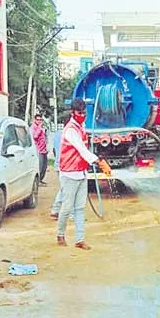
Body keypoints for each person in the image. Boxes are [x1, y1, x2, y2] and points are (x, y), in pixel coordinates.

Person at [57, 99, 111, 250]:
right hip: (69, 174)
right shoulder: (70, 130)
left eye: (84, 113)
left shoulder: (82, 127)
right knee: (67, 207)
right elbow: (82, 150)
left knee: (80, 208)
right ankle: (60, 235)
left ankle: (79, 239)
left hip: (81, 173)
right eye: (80, 113)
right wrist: (99, 162)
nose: (83, 115)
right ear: (73, 113)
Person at [50, 113, 71, 219]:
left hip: (58, 165)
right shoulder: (71, 134)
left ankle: (56, 210)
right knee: (69, 190)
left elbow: (54, 150)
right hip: (67, 166)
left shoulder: (57, 134)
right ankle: (65, 212)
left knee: (65, 189)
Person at [30, 114, 48, 186]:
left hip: (43, 150)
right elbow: (35, 136)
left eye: (41, 120)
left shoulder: (41, 128)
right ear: (35, 120)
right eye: (38, 120)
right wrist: (39, 128)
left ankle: (41, 179)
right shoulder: (33, 128)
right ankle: (38, 181)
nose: (39, 121)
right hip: (38, 150)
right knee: (40, 166)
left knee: (44, 166)